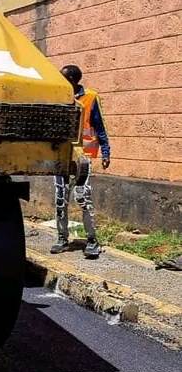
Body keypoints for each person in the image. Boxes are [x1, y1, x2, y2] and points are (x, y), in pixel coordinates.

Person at [51, 64, 111, 259]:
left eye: (64, 78)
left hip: (82, 157)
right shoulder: (58, 95)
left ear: (73, 80)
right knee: (60, 199)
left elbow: (99, 125)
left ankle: (92, 239)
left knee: (83, 197)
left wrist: (106, 151)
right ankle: (62, 237)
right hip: (61, 156)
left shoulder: (91, 97)